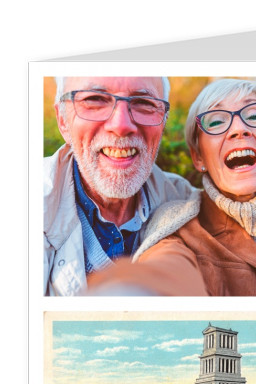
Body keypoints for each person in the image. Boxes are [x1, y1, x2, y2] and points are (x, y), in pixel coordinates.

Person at [87, 78, 256, 296]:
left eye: (254, 116)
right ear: (198, 157)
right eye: (216, 121)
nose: (239, 129)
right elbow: (165, 271)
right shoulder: (177, 229)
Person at [44, 76, 198, 296]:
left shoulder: (187, 204)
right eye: (95, 99)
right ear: (62, 120)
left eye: (144, 103)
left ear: (163, 121)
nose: (121, 125)